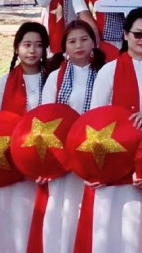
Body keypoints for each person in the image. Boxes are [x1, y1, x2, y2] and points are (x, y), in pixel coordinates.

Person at [76, 9, 142, 253]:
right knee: (109, 224)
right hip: (112, 157)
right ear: (125, 34)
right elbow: (94, 118)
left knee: (139, 227)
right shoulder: (109, 70)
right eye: (138, 34)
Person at [0, 22, 49, 253]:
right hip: (8, 161)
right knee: (8, 220)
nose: (32, 51)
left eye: (38, 45)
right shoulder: (5, 82)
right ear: (16, 48)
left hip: (42, 160)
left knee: (36, 219)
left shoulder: (52, 79)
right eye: (27, 44)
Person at [40, 21, 106, 253]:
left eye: (84, 39)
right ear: (64, 47)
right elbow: (45, 117)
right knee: (62, 209)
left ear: (94, 43)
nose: (79, 45)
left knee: (89, 209)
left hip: (95, 151)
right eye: (72, 41)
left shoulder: (105, 74)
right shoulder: (55, 77)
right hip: (62, 154)